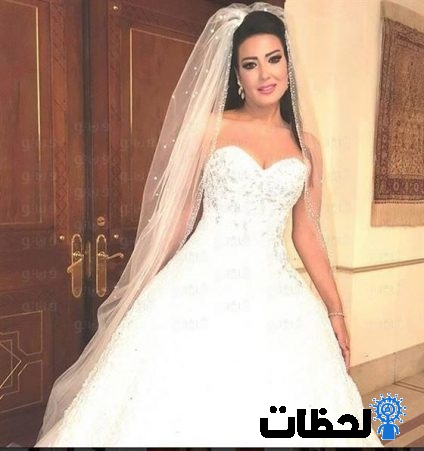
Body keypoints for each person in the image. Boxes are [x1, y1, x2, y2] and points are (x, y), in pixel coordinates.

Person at [28, 2, 382, 447]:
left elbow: (307, 232)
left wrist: (335, 310)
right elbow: (177, 217)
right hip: (199, 280)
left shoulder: (306, 145)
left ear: (288, 65)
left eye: (273, 59)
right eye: (250, 64)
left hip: (274, 293)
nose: (264, 73)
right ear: (237, 75)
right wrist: (141, 286)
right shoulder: (209, 128)